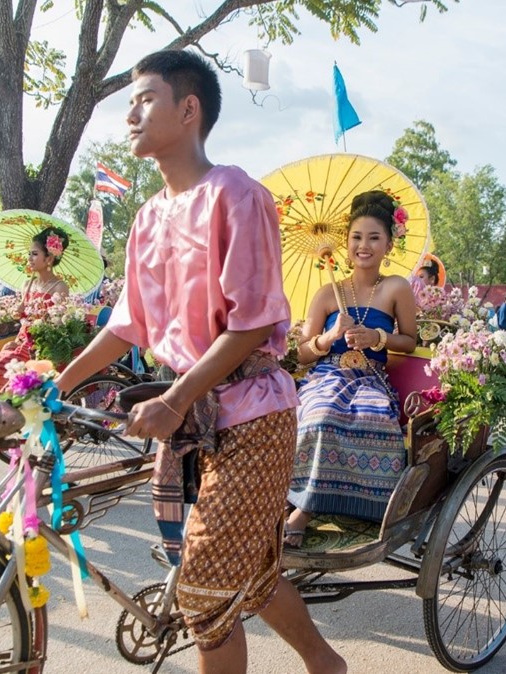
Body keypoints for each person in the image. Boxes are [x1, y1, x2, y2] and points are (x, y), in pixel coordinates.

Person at [53, 49, 346, 674]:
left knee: (205, 589)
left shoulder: (235, 193)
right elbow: (126, 324)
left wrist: (177, 395)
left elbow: (254, 323)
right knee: (248, 573)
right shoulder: (146, 218)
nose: (130, 113)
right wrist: (54, 384)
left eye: (145, 99)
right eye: (129, 102)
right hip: (186, 417)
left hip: (251, 414)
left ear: (189, 109)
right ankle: (327, 664)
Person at [284, 191, 418, 547]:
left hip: (371, 379)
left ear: (389, 244)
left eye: (374, 237)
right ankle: (299, 503)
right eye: (357, 237)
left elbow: (410, 341)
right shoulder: (328, 293)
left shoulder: (395, 287)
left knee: (372, 417)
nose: (364, 245)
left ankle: (342, 506)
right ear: (346, 244)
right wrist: (328, 337)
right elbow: (303, 354)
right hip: (326, 376)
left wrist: (377, 336)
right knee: (321, 413)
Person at [0, 227, 70, 399]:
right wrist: (18, 311)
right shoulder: (28, 284)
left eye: (34, 254)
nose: (29, 259)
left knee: (7, 362)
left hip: (42, 343)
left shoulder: (59, 287)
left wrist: (37, 318)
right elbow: (20, 318)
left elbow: (57, 323)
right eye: (29, 254)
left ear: (48, 258)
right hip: (21, 338)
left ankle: (4, 406)